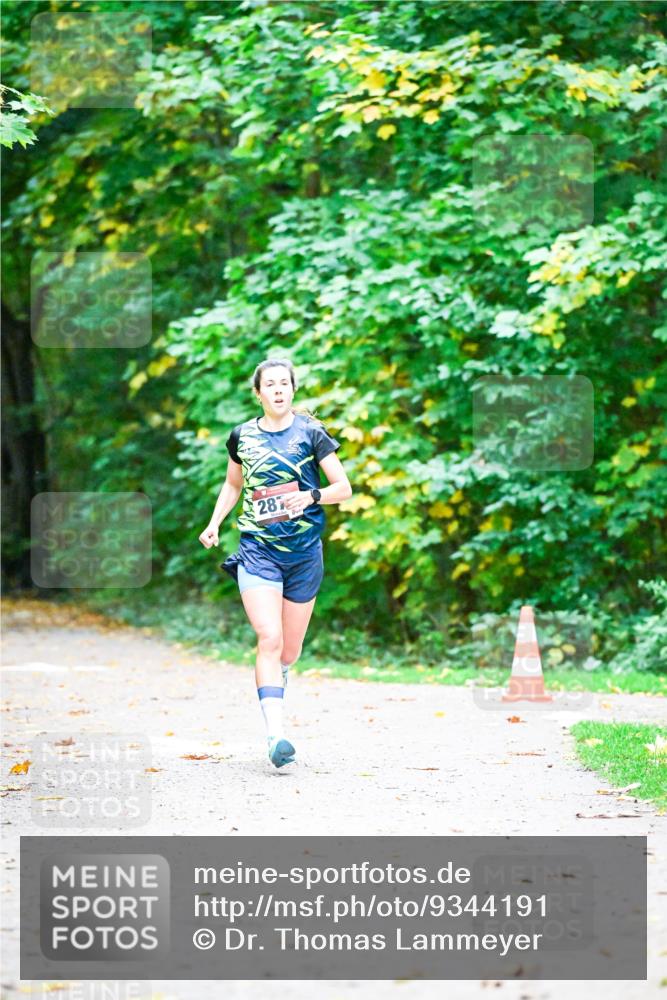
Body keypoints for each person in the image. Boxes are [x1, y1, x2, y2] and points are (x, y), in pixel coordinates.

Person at [198, 358, 352, 769]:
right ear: (259, 392)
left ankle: (279, 680)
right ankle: (275, 735)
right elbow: (233, 484)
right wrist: (214, 523)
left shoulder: (311, 433)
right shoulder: (242, 437)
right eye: (271, 384)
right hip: (258, 550)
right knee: (269, 638)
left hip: (303, 554)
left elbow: (344, 488)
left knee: (289, 650)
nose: (279, 390)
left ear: (293, 390)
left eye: (285, 383)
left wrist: (311, 497)